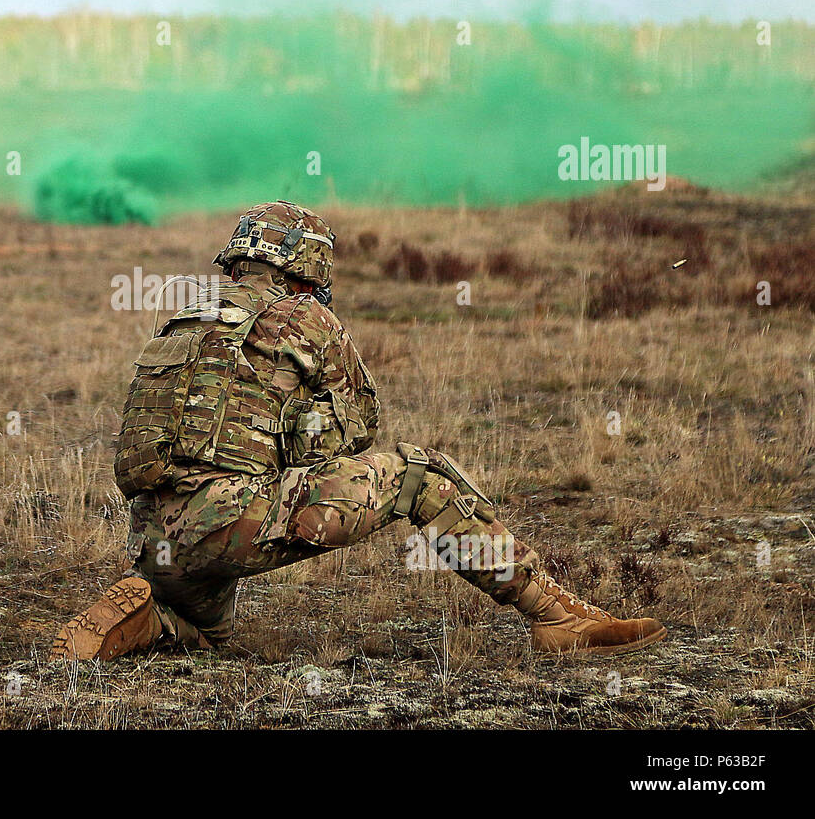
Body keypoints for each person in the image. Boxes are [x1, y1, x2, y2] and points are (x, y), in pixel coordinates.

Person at [52, 201, 666, 661]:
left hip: (157, 539)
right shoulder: (304, 316)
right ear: (306, 269)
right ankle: (555, 616)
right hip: (229, 524)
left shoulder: (184, 318)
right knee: (418, 474)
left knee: (208, 631)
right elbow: (357, 434)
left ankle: (153, 613)